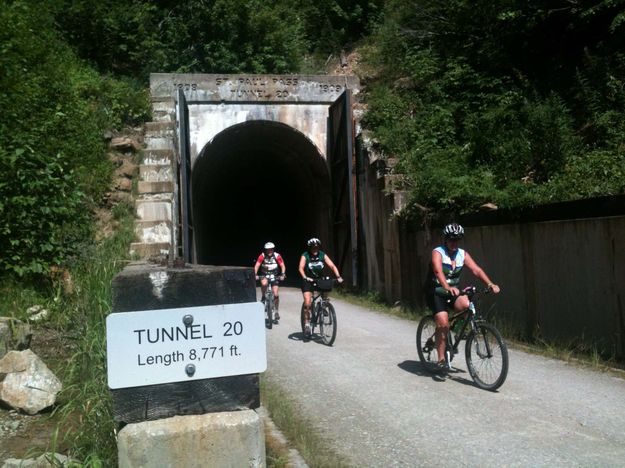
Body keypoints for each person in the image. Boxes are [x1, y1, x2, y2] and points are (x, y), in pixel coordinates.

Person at [427, 223, 500, 374]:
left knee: (467, 305)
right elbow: (437, 270)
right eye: (452, 240)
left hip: (453, 293)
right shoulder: (438, 252)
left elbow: (476, 269)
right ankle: (441, 359)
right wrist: (447, 287)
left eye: (457, 240)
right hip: (436, 293)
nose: (454, 243)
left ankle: (455, 330)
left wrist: (490, 283)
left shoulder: (462, 254)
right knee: (443, 322)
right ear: (446, 239)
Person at [298, 237, 343, 336]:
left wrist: (338, 276)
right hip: (308, 280)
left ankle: (324, 305)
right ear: (310, 248)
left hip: (319, 279)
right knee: (307, 303)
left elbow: (332, 266)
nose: (315, 249)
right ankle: (307, 324)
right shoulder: (305, 255)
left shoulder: (322, 255)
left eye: (317, 247)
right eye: (313, 247)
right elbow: (300, 267)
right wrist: (305, 277)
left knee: (327, 284)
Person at [254, 242, 286, 319]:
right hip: (264, 274)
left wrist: (283, 274)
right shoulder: (262, 256)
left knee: (276, 294)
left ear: (273, 249)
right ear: (265, 250)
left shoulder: (277, 256)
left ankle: (276, 311)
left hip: (274, 275)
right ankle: (263, 297)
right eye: (268, 250)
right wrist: (255, 274)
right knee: (264, 284)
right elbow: (257, 265)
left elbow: (282, 265)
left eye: (271, 249)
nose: (269, 251)